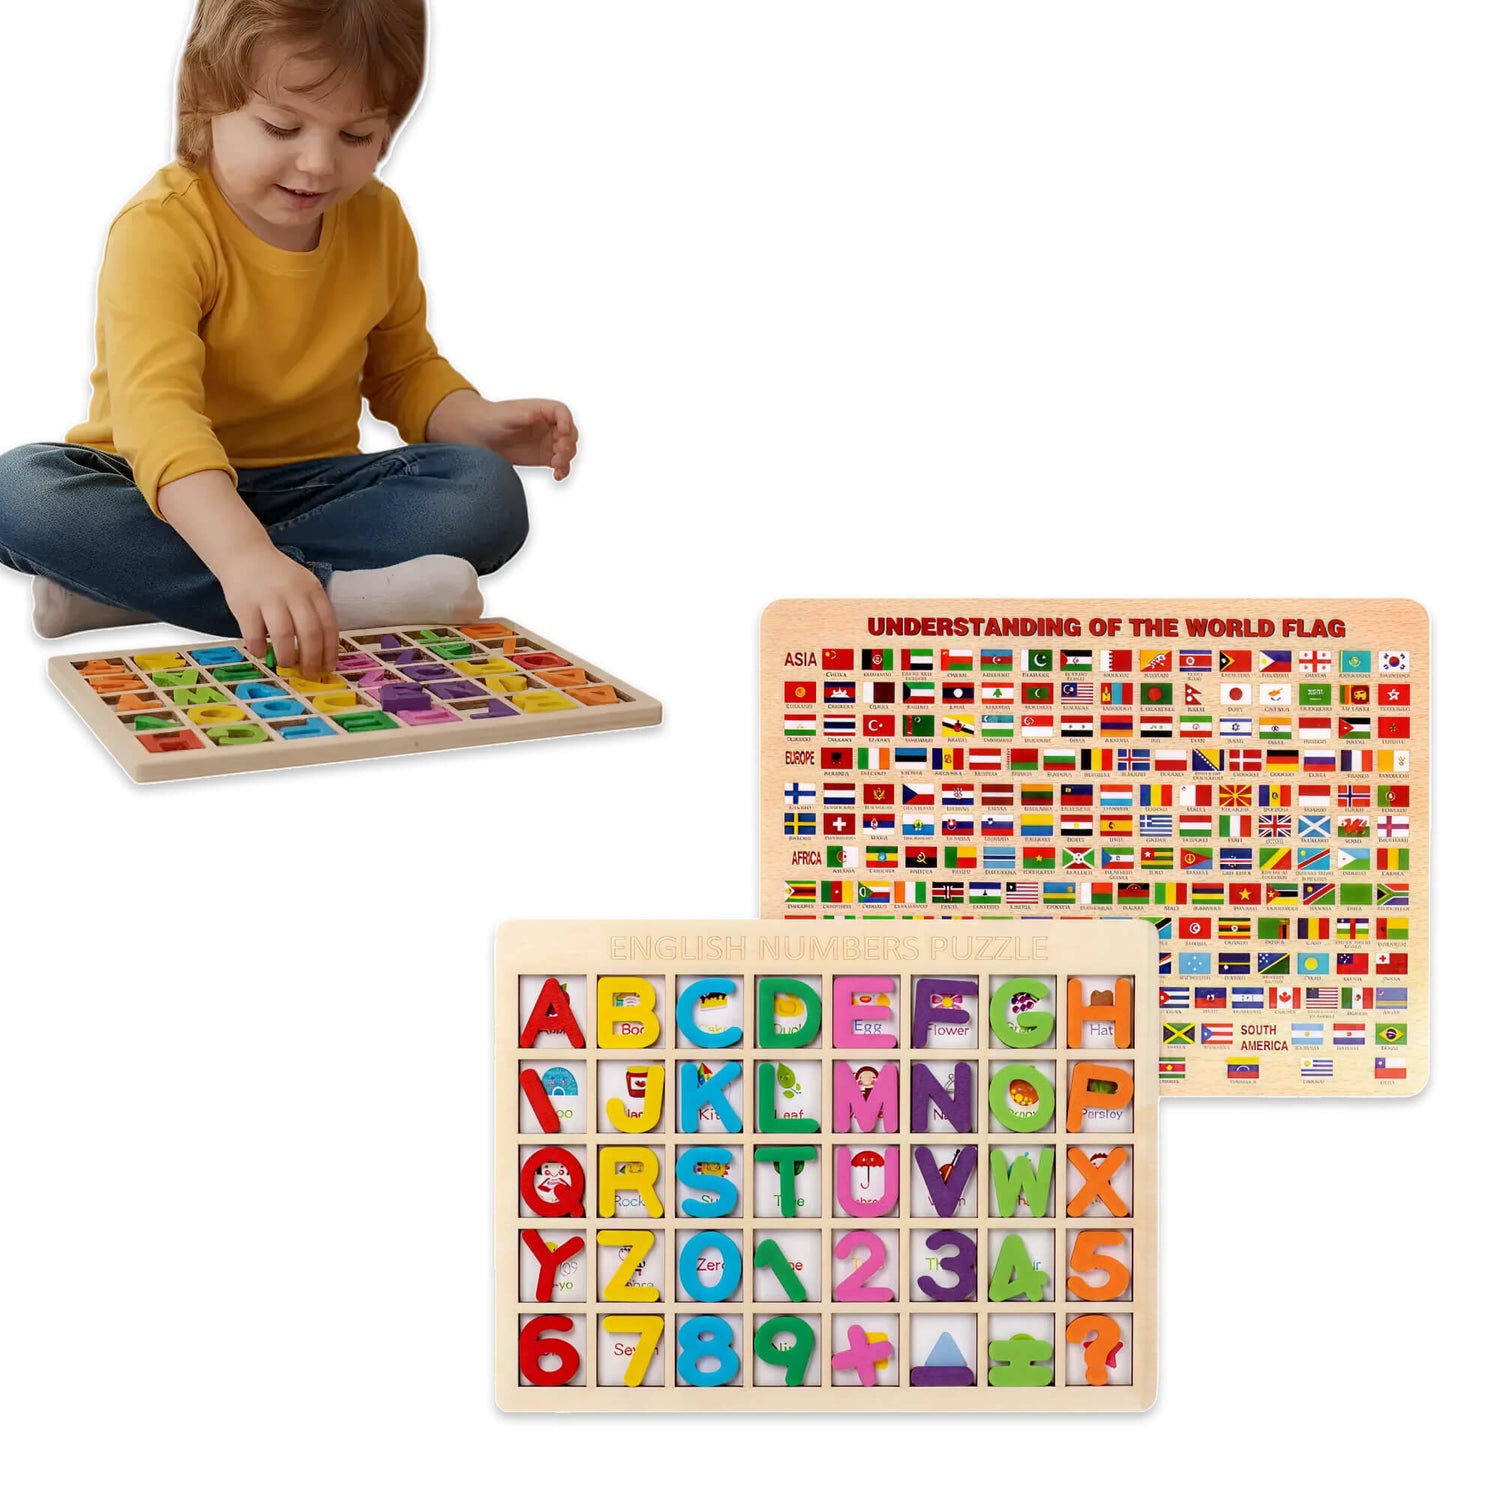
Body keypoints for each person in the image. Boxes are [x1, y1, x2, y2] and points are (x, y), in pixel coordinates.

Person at [0, 0, 575, 676]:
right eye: (281, 127)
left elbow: (402, 369)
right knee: (20, 491)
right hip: (157, 488)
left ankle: (131, 589)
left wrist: (475, 421)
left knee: (486, 493)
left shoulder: (380, 222)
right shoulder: (161, 228)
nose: (318, 163)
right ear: (208, 102)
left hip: (313, 487)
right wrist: (241, 554)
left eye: (356, 136)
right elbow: (157, 417)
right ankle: (336, 597)